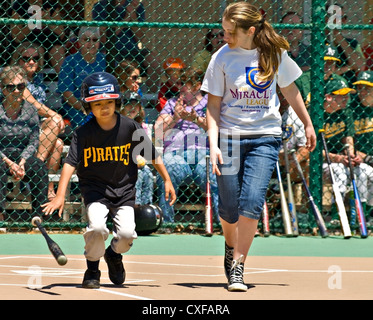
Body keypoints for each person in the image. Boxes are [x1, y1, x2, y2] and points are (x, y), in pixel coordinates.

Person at [201, 2, 316, 292]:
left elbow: (290, 88)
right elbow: (213, 105)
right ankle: (230, 246)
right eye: (223, 31)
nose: (225, 36)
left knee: (251, 201)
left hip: (265, 136)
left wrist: (308, 123)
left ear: (250, 30)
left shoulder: (274, 53)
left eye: (230, 32)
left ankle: (238, 266)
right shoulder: (221, 57)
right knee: (228, 208)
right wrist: (213, 143)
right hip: (228, 137)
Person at [42, 72, 175, 289]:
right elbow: (69, 164)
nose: (104, 108)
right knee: (96, 228)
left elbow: (152, 155)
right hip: (95, 191)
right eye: (98, 104)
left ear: (117, 101)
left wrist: (167, 180)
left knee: (125, 235)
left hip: (123, 192)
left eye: (109, 102)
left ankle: (113, 255)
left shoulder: (130, 127)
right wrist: (59, 195)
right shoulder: (83, 133)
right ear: (88, 107)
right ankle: (92, 269)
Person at [154, 68, 219, 223]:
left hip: (204, 153)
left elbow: (217, 127)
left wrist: (196, 120)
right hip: (176, 154)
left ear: (197, 86)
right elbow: (157, 130)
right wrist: (175, 118)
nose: (179, 87)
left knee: (213, 172)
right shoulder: (171, 103)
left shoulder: (210, 102)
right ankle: (166, 223)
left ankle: (221, 222)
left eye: (184, 84)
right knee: (168, 168)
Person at [12, 42, 65, 200]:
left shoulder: (38, 80)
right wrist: (56, 115)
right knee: (55, 121)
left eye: (35, 58)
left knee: (58, 145)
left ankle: (45, 187)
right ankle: (35, 170)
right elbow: (33, 104)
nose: (31, 62)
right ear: (18, 60)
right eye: (26, 58)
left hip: (36, 127)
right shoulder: (15, 78)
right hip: (17, 127)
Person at [322, 75, 373, 225]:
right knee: (339, 173)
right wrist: (338, 158)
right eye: (341, 95)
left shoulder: (346, 112)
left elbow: (348, 140)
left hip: (343, 160)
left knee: (364, 171)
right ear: (329, 97)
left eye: (347, 95)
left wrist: (351, 155)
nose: (346, 99)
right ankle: (335, 215)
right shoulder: (317, 114)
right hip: (325, 161)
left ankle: (366, 214)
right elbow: (315, 151)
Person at [0, 66, 48, 221]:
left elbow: (34, 141)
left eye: (20, 87)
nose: (16, 91)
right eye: (10, 87)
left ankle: (38, 215)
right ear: (3, 89)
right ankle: (0, 213)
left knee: (39, 167)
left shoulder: (31, 110)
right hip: (2, 154)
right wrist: (8, 162)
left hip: (22, 154)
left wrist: (22, 162)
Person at [92, 0, 161, 91]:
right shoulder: (100, 6)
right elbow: (105, 38)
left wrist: (133, 15)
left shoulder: (137, 6)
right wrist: (127, 18)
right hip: (110, 49)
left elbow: (139, 37)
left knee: (154, 61)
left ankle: (150, 98)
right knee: (109, 61)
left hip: (132, 50)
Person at [57, 27, 106, 129]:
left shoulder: (105, 60)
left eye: (95, 40)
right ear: (79, 42)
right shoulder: (70, 61)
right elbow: (67, 94)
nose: (91, 43)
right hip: (76, 107)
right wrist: (86, 108)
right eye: (86, 39)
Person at [9, 0, 66, 73]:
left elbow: (61, 34)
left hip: (49, 40)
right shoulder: (19, 6)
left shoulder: (50, 5)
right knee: (38, 49)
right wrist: (34, 21)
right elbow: (16, 37)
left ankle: (65, 79)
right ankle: (36, 81)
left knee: (58, 49)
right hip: (29, 41)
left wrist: (48, 20)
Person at [120, 92, 154, 206]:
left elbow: (145, 150)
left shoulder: (142, 126)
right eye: (128, 104)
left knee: (148, 174)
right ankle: (134, 205)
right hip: (121, 162)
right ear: (122, 107)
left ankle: (145, 206)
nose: (132, 108)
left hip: (138, 162)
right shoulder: (118, 124)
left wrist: (140, 157)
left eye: (136, 105)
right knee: (137, 175)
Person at [351, 70, 373, 220]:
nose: (363, 92)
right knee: (364, 172)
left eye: (367, 88)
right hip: (360, 159)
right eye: (360, 88)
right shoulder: (352, 109)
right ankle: (364, 214)